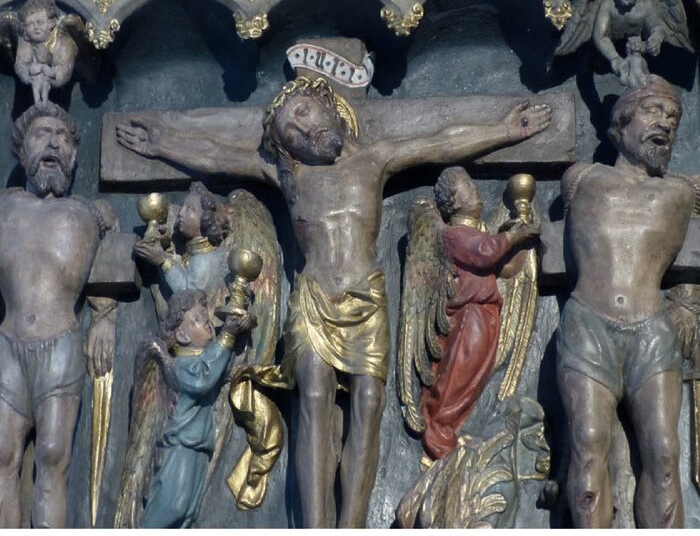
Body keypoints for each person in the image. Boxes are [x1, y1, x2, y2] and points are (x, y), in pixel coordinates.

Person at [115, 74, 552, 527]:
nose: (303, 132)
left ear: (327, 103)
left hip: (366, 295)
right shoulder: (290, 177)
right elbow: (216, 155)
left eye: (304, 113)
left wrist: (504, 130)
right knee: (313, 399)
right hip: (315, 298)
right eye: (290, 133)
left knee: (368, 404)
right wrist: (161, 144)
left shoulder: (374, 159)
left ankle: (351, 526)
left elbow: (441, 141)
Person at [558, 75, 694, 528]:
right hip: (589, 325)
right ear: (620, 123)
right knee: (587, 442)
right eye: (653, 112)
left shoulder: (682, 192)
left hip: (651, 329)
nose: (666, 124)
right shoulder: (582, 178)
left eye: (673, 118)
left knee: (665, 452)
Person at [0, 102, 115, 527]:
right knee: (2, 455)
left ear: (73, 154)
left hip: (61, 344)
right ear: (21, 151)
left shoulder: (93, 213)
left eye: (62, 137)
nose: (52, 144)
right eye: (40, 135)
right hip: (7, 345)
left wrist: (105, 317)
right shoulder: (5, 207)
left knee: (53, 455)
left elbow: (113, 268)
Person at [420, 166, 539, 460]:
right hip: (468, 317)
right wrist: (513, 236)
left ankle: (451, 430)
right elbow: (484, 252)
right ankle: (437, 432)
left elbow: (504, 269)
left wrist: (520, 241)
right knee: (458, 375)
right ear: (453, 201)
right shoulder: (452, 235)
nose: (476, 191)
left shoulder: (479, 232)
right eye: (469, 187)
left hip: (487, 315)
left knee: (474, 378)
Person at [140, 289, 249, 528]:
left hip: (199, 447)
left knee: (188, 514)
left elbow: (220, 366)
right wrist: (227, 334)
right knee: (173, 506)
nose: (207, 323)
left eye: (206, 317)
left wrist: (239, 327)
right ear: (182, 335)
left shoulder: (201, 360)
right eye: (198, 320)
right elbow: (203, 379)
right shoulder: (180, 366)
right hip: (180, 446)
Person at [14, 0, 78, 103]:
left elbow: (64, 71)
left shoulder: (63, 40)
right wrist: (31, 77)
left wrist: (47, 76)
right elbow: (20, 64)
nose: (35, 27)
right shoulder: (25, 38)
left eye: (40, 22)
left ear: (51, 22)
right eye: (30, 24)